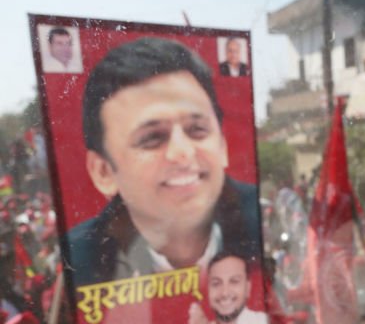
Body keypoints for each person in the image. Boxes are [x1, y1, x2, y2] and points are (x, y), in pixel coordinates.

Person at [68, 37, 261, 287]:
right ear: (103, 172)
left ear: (222, 146)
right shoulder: (77, 264)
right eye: (152, 138)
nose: (183, 152)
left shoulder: (266, 223)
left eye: (197, 129)